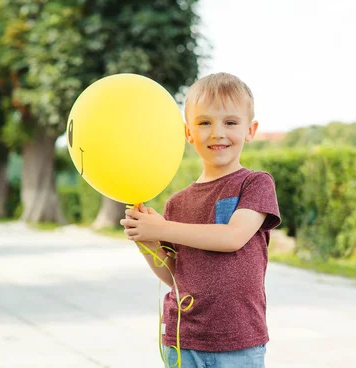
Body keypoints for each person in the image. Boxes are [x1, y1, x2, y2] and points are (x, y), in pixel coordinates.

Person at [120, 72, 281, 368]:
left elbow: (232, 237)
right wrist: (148, 241)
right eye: (204, 122)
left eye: (230, 122)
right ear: (188, 133)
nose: (217, 132)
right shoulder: (177, 203)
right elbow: (174, 276)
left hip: (239, 341)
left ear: (250, 129)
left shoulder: (255, 184)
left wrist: (163, 228)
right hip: (183, 340)